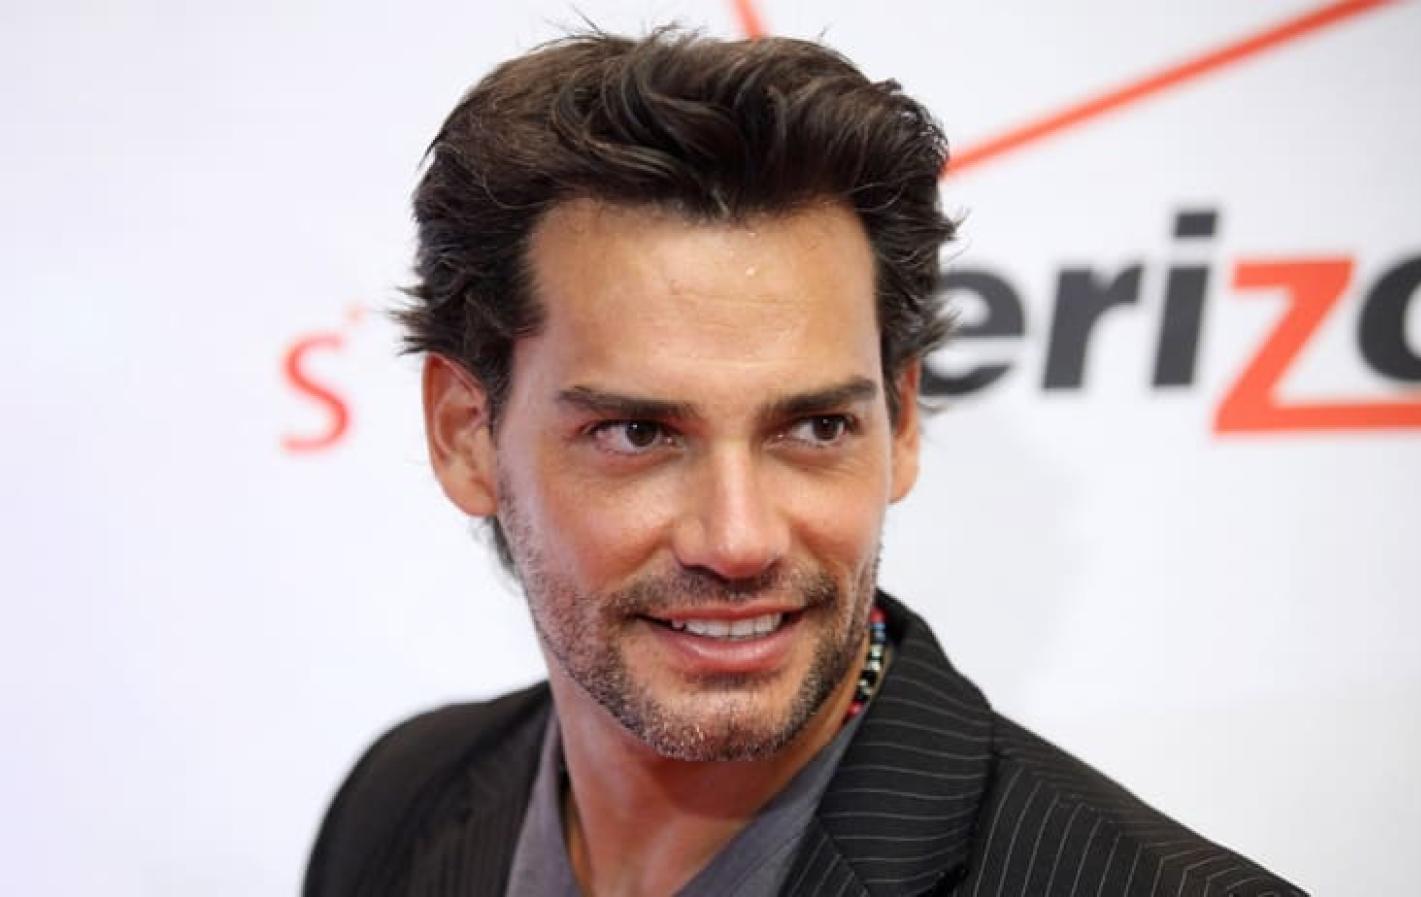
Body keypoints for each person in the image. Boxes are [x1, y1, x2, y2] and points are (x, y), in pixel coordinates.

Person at [304, 28, 1305, 897]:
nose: (738, 539)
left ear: (900, 423)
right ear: (465, 434)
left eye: (816, 428)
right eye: (638, 434)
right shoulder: (401, 799)